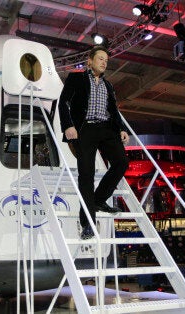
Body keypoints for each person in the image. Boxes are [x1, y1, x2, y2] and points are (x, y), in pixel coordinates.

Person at [58, 46, 129, 240]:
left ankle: (98, 200)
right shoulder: (76, 78)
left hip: (106, 128)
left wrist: (122, 129)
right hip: (85, 129)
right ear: (90, 61)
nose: (104, 62)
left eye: (106, 60)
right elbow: (63, 102)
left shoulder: (108, 85)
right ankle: (87, 223)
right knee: (86, 176)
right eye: (100, 59)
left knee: (122, 163)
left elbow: (113, 111)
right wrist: (68, 125)